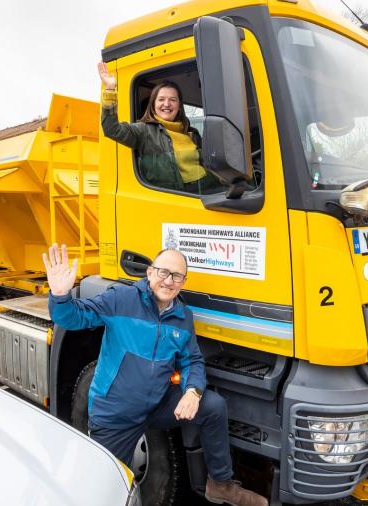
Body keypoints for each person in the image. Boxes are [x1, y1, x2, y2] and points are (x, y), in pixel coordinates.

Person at [43, 243, 267, 506]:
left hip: (156, 405)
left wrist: (192, 392)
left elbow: (192, 360)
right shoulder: (121, 299)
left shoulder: (182, 316)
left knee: (213, 406)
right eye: (163, 272)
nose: (169, 281)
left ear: (183, 282)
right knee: (107, 489)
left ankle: (220, 485)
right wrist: (60, 296)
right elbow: (74, 318)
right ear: (149, 273)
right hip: (116, 415)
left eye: (177, 276)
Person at [97, 61, 221, 193]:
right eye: (161, 99)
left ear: (179, 105)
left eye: (173, 100)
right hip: (183, 198)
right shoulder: (144, 130)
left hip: (208, 190)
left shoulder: (192, 133)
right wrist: (110, 88)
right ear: (153, 104)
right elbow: (111, 129)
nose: (166, 104)